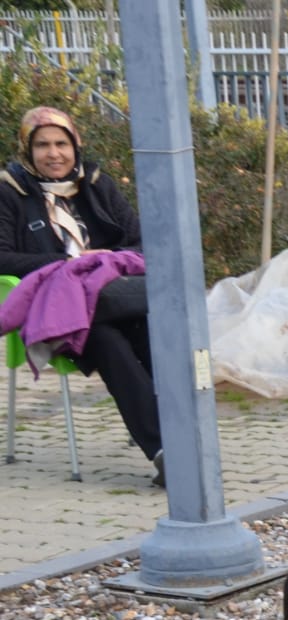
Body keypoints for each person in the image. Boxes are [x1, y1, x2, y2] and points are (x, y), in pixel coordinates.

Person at [0, 107, 161, 483]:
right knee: (107, 342)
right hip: (59, 313)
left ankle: (183, 442)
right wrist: (69, 262)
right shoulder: (8, 192)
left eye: (61, 143)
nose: (53, 154)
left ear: (75, 145)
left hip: (114, 298)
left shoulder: (97, 184)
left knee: (152, 335)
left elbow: (141, 241)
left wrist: (108, 261)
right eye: (42, 145)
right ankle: (166, 451)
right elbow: (2, 256)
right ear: (27, 149)